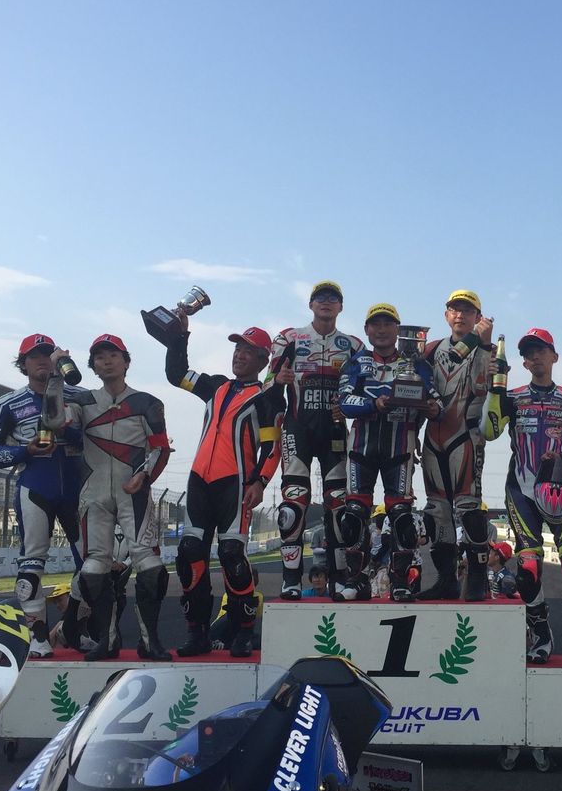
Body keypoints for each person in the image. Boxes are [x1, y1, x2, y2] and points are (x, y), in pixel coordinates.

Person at [44, 336, 172, 660]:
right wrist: (55, 377)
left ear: (126, 361)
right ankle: (108, 640)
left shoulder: (148, 402)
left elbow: (160, 448)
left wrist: (145, 476)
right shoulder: (83, 400)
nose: (107, 361)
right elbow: (53, 421)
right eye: (99, 357)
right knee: (92, 570)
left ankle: (150, 642)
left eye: (113, 355)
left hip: (134, 494)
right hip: (94, 493)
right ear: (93, 366)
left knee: (151, 567)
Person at [166, 319, 283, 658]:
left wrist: (260, 481)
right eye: (237, 348)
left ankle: (243, 629)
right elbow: (177, 374)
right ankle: (197, 631)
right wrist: (179, 337)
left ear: (263, 360)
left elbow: (272, 448)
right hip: (199, 481)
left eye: (248, 351)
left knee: (232, 554)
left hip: (236, 484)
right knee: (190, 553)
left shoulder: (268, 397)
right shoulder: (214, 385)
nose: (239, 355)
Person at [483, 327, 562, 665]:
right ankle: (541, 635)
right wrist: (493, 390)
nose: (535, 357)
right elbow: (488, 431)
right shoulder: (512, 397)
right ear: (523, 362)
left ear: (554, 356)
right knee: (527, 567)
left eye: (541, 350)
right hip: (522, 490)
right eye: (528, 353)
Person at [0, 333, 86, 657]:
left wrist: (67, 431)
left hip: (78, 488)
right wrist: (24, 451)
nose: (42, 360)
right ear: (23, 364)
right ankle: (37, 636)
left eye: (47, 354)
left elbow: (96, 440)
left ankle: (72, 628)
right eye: (34, 355)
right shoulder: (6, 404)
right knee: (31, 564)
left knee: (93, 565)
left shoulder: (81, 397)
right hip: (36, 486)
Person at [337, 303, 442, 602]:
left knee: (402, 517)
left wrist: (433, 409)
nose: (381, 329)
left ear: (398, 330)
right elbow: (344, 402)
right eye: (376, 324)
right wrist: (374, 403)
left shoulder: (418, 364)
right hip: (361, 448)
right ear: (367, 329)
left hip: (400, 450)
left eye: (388, 324)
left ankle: (400, 582)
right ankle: (356, 581)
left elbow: (436, 401)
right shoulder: (356, 363)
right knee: (353, 514)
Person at [268, 281, 364, 599]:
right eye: (320, 297)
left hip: (335, 432)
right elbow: (266, 383)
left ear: (341, 307)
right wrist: (277, 380)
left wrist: (349, 405)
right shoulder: (289, 338)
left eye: (333, 298)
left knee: (339, 505)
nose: (326, 302)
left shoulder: (353, 345)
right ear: (310, 304)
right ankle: (291, 579)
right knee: (292, 506)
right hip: (297, 429)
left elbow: (366, 391)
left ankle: (339, 578)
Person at [419, 290, 496, 601]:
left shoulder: (489, 350)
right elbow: (415, 386)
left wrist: (484, 344)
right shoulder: (431, 349)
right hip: (433, 437)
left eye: (467, 310)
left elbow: (488, 390)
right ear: (446, 314)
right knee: (436, 509)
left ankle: (477, 577)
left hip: (466, 435)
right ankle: (446, 578)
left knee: (467, 507)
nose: (460, 315)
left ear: (478, 316)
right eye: (455, 309)